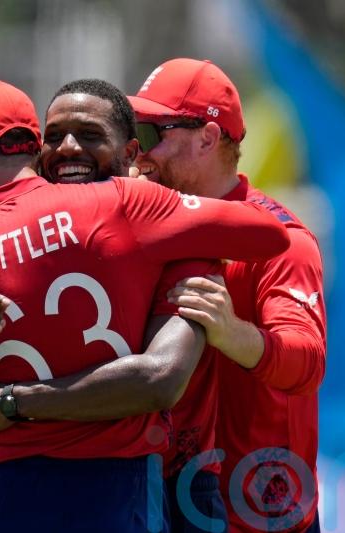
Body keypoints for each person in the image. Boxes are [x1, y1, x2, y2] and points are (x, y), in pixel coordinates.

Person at [0, 77, 291, 533]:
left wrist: (9, 396)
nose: (69, 148)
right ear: (34, 150)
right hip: (117, 488)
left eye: (89, 135)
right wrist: (163, 204)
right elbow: (269, 234)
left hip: (8, 493)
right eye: (55, 137)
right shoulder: (133, 205)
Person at [130, 58, 327, 533]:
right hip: (173, 507)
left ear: (208, 138)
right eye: (133, 134)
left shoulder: (281, 240)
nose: (139, 153)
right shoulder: (147, 226)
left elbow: (307, 362)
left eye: (152, 133)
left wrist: (231, 332)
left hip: (259, 516)